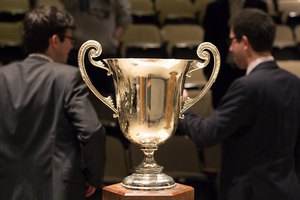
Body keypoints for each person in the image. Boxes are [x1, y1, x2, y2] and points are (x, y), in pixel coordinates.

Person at [179, 8, 300, 200]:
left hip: (249, 193)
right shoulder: (294, 83)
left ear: (244, 42)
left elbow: (207, 134)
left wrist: (181, 106)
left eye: (231, 41)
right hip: (289, 190)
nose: (229, 48)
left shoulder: (246, 87)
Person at [0, 5, 106, 200]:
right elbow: (91, 131)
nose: (71, 47)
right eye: (70, 40)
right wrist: (93, 177)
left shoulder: (3, 77)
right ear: (55, 40)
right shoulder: (68, 77)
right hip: (57, 190)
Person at [203, 0, 267, 108]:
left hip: (250, 70)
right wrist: (210, 72)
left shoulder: (259, 5)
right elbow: (208, 41)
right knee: (222, 112)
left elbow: (263, 39)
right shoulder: (214, 7)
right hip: (222, 71)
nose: (232, 47)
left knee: (251, 112)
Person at [61, 0, 132, 95]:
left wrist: (115, 39)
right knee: (71, 92)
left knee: (104, 95)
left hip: (105, 50)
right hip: (76, 48)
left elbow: (125, 16)